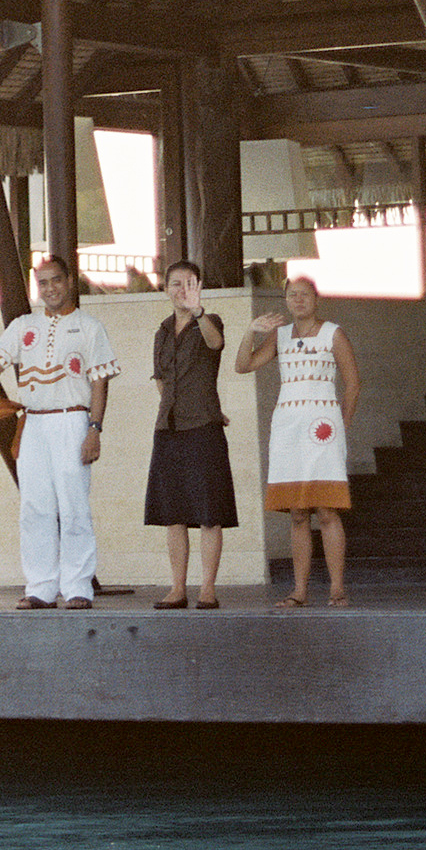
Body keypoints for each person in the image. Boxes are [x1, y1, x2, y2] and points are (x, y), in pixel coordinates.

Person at [0, 255, 118, 610]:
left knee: (74, 504)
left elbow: (99, 384)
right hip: (33, 422)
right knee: (35, 507)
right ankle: (41, 587)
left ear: (70, 281)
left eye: (56, 280)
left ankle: (77, 586)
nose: (50, 289)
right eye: (43, 283)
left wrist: (94, 429)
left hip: (71, 420)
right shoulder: (23, 325)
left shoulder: (90, 327)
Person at [235, 272, 361, 608]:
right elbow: (243, 365)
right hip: (288, 428)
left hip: (321, 428)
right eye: (292, 295)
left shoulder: (333, 333)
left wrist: (342, 423)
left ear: (316, 298)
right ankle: (299, 591)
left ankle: (337, 588)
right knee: (297, 512)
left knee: (327, 509)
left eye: (305, 294)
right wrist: (250, 331)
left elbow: (352, 383)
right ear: (286, 299)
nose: (298, 300)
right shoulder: (281, 335)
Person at [144, 257, 237, 609]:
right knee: (174, 512)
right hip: (169, 429)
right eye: (176, 284)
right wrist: (175, 406)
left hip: (203, 428)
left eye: (189, 283)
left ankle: (207, 588)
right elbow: (162, 381)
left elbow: (215, 346)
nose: (182, 290)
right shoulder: (162, 331)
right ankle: (178, 587)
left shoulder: (209, 322)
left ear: (199, 288)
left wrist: (198, 312)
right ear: (166, 289)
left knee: (210, 511)